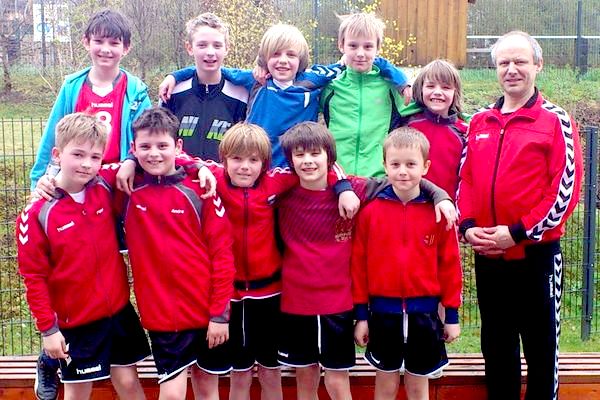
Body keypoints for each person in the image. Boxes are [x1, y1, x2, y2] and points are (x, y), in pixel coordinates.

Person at [276, 122, 453, 400]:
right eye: (300, 155)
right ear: (290, 159)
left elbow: (405, 179)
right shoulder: (282, 193)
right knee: (305, 377)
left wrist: (440, 196)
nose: (308, 161)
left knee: (337, 380)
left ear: (330, 158)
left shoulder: (356, 189)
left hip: (338, 302)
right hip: (296, 301)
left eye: (315, 154)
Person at [457, 31, 583, 400]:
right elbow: (465, 180)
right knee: (497, 350)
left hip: (536, 256)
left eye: (520, 62)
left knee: (541, 352)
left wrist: (517, 232)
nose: (511, 69)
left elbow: (564, 191)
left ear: (537, 65)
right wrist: (468, 227)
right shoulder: (479, 121)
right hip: (489, 256)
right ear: (496, 69)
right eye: (504, 63)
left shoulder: (556, 121)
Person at [103, 107, 236, 400]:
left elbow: (223, 256)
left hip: (207, 312)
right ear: (133, 147)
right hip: (162, 316)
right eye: (145, 147)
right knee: (172, 395)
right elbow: (80, 171)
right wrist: (49, 182)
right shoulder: (127, 186)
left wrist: (219, 314)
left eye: (162, 146)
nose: (154, 154)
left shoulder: (201, 188)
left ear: (178, 146)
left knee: (207, 388)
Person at [16, 113, 150, 400]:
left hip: (118, 311)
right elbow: (33, 278)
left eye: (95, 156)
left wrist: (129, 161)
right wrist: (48, 330)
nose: (87, 164)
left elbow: (148, 155)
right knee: (78, 393)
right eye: (77, 154)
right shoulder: (37, 213)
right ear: (57, 154)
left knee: (129, 383)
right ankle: (47, 363)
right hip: (76, 321)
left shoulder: (104, 183)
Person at [159, 23, 409, 168]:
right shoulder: (255, 80)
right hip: (257, 168)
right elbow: (212, 67)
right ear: (265, 58)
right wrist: (175, 76)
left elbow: (360, 60)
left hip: (295, 170)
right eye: (275, 55)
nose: (283, 61)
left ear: (301, 58)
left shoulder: (313, 81)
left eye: (290, 55)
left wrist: (401, 81)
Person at [352, 127, 462, 400]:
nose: (403, 172)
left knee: (417, 385)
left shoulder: (439, 213)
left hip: (425, 314)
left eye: (411, 164)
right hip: (382, 313)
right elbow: (358, 267)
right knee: (385, 383)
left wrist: (451, 316)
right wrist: (362, 316)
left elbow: (450, 267)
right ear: (384, 166)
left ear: (425, 167)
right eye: (395, 164)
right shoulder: (369, 213)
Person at [30, 9, 151, 191]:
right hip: (78, 182)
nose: (105, 49)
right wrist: (39, 180)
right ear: (86, 42)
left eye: (114, 43)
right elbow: (53, 136)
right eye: (98, 41)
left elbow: (147, 136)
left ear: (126, 48)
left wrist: (131, 161)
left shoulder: (136, 91)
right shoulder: (72, 87)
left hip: (120, 183)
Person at [321, 12, 412, 177]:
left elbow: (425, 104)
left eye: (368, 47)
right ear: (341, 46)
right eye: (353, 46)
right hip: (337, 177)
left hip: (378, 179)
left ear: (378, 48)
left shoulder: (391, 88)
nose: (360, 53)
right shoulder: (330, 87)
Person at [161, 12, 248, 160]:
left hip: (223, 174)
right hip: (180, 174)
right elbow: (159, 138)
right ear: (189, 48)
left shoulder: (241, 95)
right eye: (202, 45)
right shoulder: (173, 91)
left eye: (217, 45)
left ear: (227, 48)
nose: (210, 52)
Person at [402, 59, 468, 199]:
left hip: (446, 206)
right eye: (430, 86)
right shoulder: (409, 125)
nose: (437, 92)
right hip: (410, 203)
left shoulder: (464, 132)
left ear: (455, 92)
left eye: (446, 87)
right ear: (420, 89)